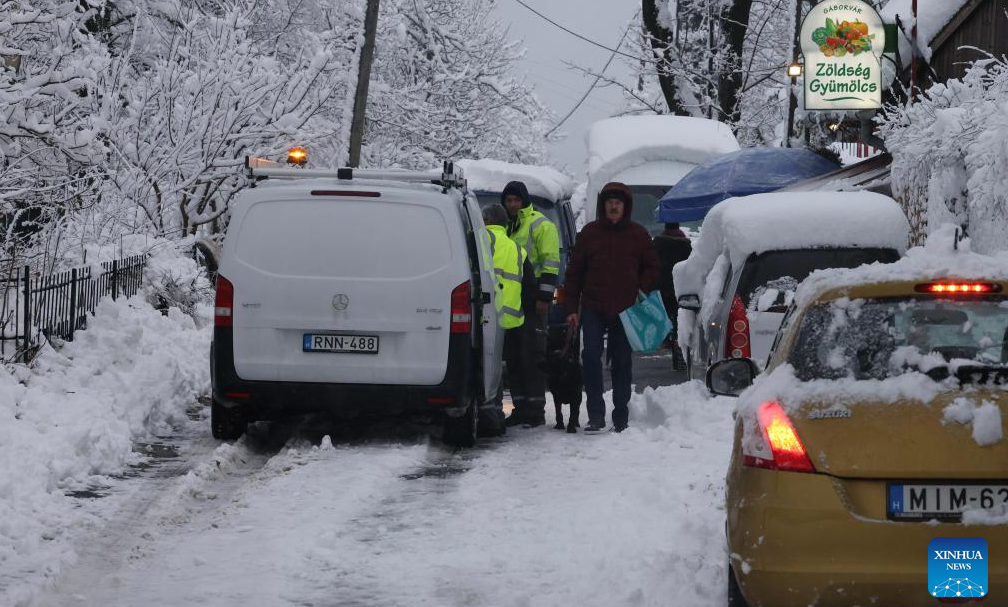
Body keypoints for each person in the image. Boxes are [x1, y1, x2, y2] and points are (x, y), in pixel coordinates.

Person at [564, 182, 659, 433]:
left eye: (618, 202)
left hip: (626, 309)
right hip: (594, 305)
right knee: (590, 356)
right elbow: (574, 274)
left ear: (625, 207)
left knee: (622, 361)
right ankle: (596, 414)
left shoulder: (638, 235)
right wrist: (571, 308)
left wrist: (642, 288)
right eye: (609, 202)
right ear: (602, 206)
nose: (613, 206)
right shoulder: (589, 234)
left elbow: (653, 267)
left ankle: (621, 415)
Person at [501, 181, 560, 427]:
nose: (513, 204)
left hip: (534, 301)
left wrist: (544, 297)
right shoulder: (507, 226)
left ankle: (535, 409)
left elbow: (551, 262)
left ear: (524, 201)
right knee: (514, 357)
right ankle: (521, 407)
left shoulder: (540, 224)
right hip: (513, 302)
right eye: (509, 200)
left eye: (516, 200)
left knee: (532, 356)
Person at [483, 204, 541, 431]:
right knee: (517, 366)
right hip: (513, 319)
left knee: (488, 366)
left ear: (485, 221)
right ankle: (527, 410)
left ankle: (493, 411)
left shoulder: (477, 243)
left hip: (485, 318)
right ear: (506, 224)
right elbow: (530, 287)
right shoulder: (517, 250)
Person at [653, 222, 692, 369]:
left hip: (661, 287)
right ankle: (678, 348)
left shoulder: (657, 245)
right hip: (679, 286)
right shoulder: (686, 245)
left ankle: (665, 340)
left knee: (665, 315)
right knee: (678, 318)